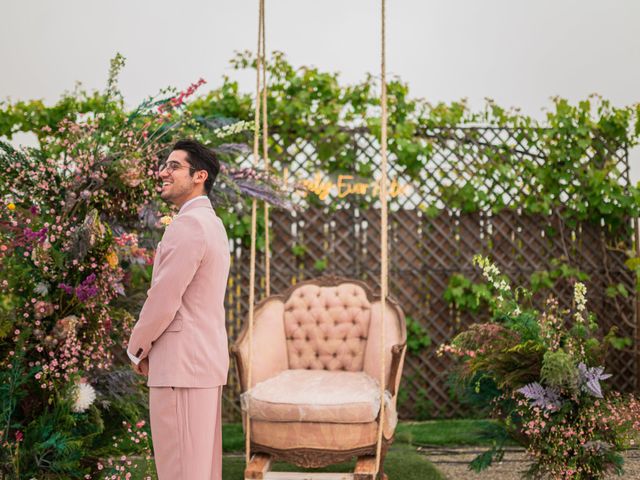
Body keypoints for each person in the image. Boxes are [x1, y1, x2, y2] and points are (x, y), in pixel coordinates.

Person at [126, 139, 230, 479]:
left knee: (180, 470)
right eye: (164, 165)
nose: (163, 172)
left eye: (174, 166)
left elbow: (164, 298)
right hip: (200, 364)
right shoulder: (212, 224)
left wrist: (137, 348)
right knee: (200, 470)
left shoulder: (188, 225)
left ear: (199, 175)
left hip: (182, 366)